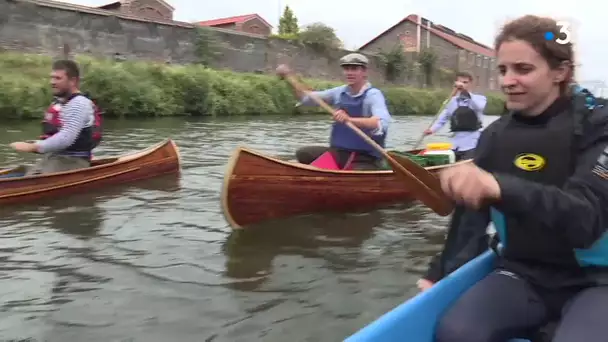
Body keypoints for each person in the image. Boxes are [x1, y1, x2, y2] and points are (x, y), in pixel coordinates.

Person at [420, 15, 608, 342]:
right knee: (455, 333)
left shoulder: (598, 126)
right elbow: (471, 217)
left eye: (523, 69)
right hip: (523, 273)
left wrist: (498, 186)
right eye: (503, 70)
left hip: (597, 280)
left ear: (560, 72)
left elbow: (585, 218)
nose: (508, 80)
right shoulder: (495, 135)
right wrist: (438, 272)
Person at [275, 53, 392, 170]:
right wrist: (290, 77)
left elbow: (380, 122)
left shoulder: (373, 95)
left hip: (364, 157)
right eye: (346, 69)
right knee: (303, 153)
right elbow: (305, 98)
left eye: (354, 69)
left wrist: (349, 119)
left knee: (355, 174)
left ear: (364, 72)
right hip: (338, 153)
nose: (349, 73)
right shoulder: (339, 92)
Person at [10, 60, 101, 175]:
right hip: (54, 158)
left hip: (73, 162)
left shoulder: (79, 104)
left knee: (25, 181)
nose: (52, 82)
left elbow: (65, 138)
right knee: (19, 171)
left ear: (73, 81)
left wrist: (33, 147)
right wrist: (35, 143)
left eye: (58, 78)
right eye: (52, 78)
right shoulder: (61, 103)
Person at [423, 72, 486, 161]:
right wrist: (431, 130)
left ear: (470, 84)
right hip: (455, 145)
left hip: (473, 144)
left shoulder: (479, 99)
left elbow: (479, 107)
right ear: (455, 83)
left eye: (465, 82)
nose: (462, 85)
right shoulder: (451, 101)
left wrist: (466, 92)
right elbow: (442, 119)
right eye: (460, 82)